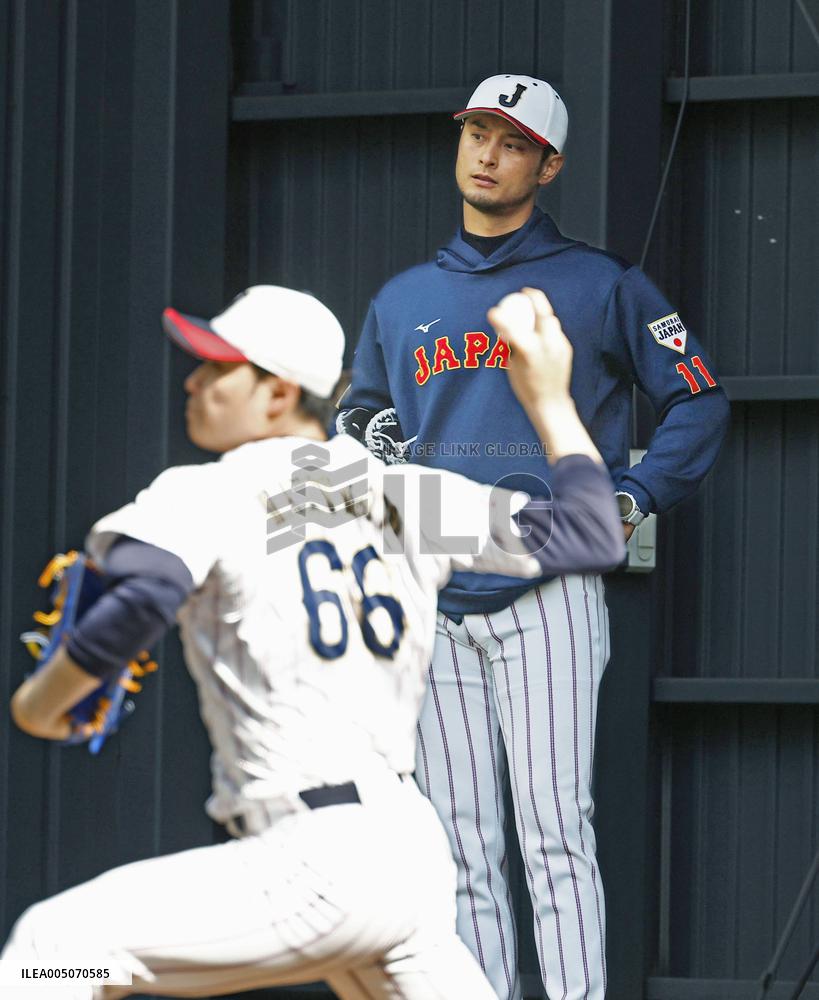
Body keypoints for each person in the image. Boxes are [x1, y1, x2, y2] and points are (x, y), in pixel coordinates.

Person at [4, 283, 625, 1000]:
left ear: (275, 393)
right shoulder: (405, 492)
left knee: (51, 951)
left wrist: (38, 705)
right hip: (407, 857)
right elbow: (591, 532)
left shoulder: (211, 490)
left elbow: (143, 592)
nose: (195, 381)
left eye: (217, 367)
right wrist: (547, 398)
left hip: (311, 858)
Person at [338, 74, 731, 1000]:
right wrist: (374, 449)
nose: (486, 152)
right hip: (435, 593)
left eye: (511, 141)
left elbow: (696, 396)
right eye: (476, 131)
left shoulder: (601, 284)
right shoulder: (402, 300)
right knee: (460, 843)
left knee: (555, 832)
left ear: (547, 165)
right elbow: (363, 413)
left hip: (549, 586)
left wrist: (631, 499)